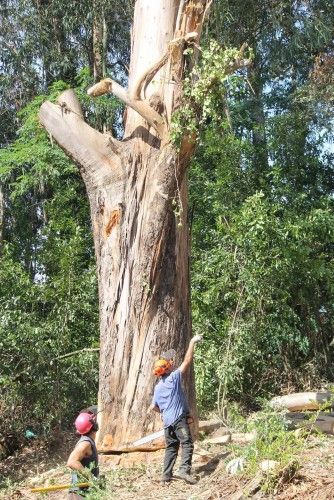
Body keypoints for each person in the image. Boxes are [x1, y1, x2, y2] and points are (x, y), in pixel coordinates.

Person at [151, 335, 203, 485]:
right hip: (178, 420)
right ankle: (184, 470)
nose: (172, 365)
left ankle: (165, 476)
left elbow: (153, 407)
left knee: (171, 447)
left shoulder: (157, 387)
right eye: (169, 365)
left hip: (167, 422)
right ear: (167, 369)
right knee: (187, 443)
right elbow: (187, 361)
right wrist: (192, 341)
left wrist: (162, 412)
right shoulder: (174, 378)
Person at [67, 409, 100, 499]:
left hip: (86, 493)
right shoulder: (85, 443)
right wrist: (91, 477)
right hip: (81, 494)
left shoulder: (87, 441)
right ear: (93, 426)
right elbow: (72, 462)